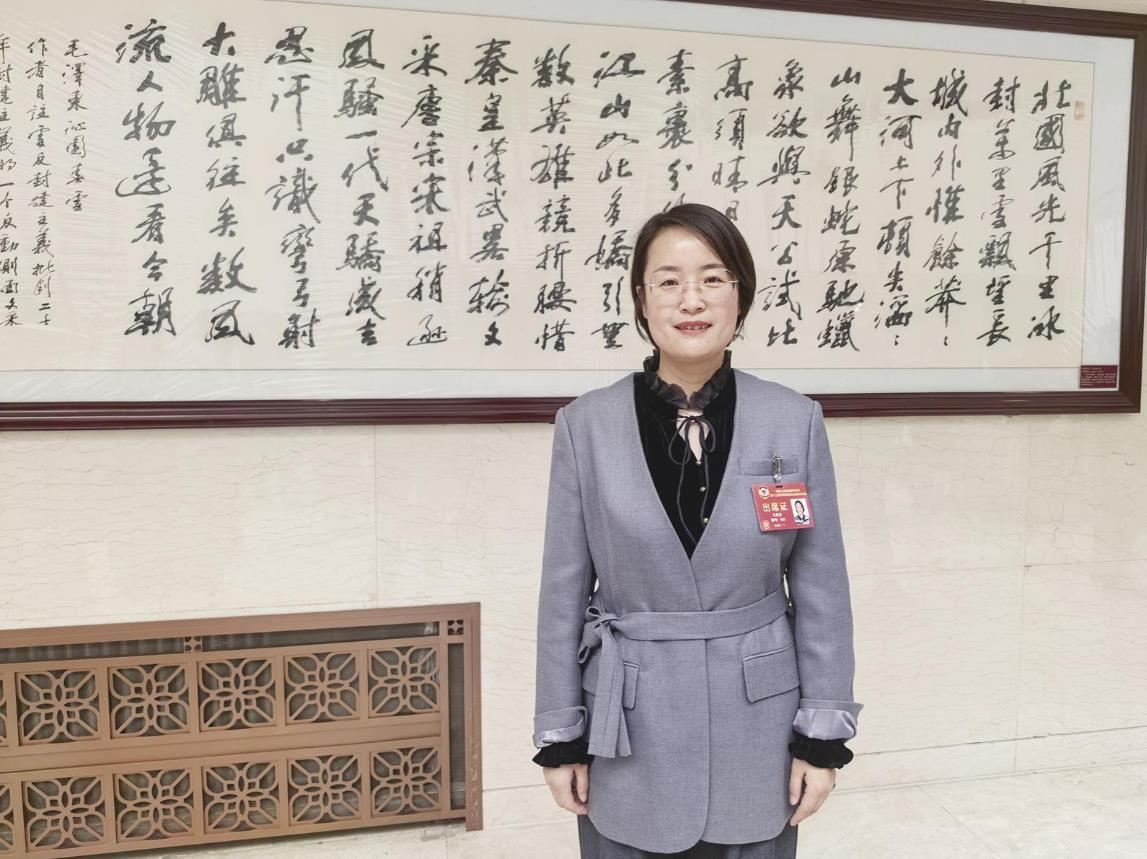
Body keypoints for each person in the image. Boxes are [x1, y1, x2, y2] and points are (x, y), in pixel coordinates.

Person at [531, 203, 862, 858]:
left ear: (740, 295)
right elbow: (561, 593)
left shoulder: (792, 419)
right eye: (669, 280)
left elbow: (821, 587)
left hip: (759, 725)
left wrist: (822, 734)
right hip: (626, 724)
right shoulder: (585, 426)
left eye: (713, 278)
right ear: (640, 298)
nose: (692, 299)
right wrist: (560, 733)